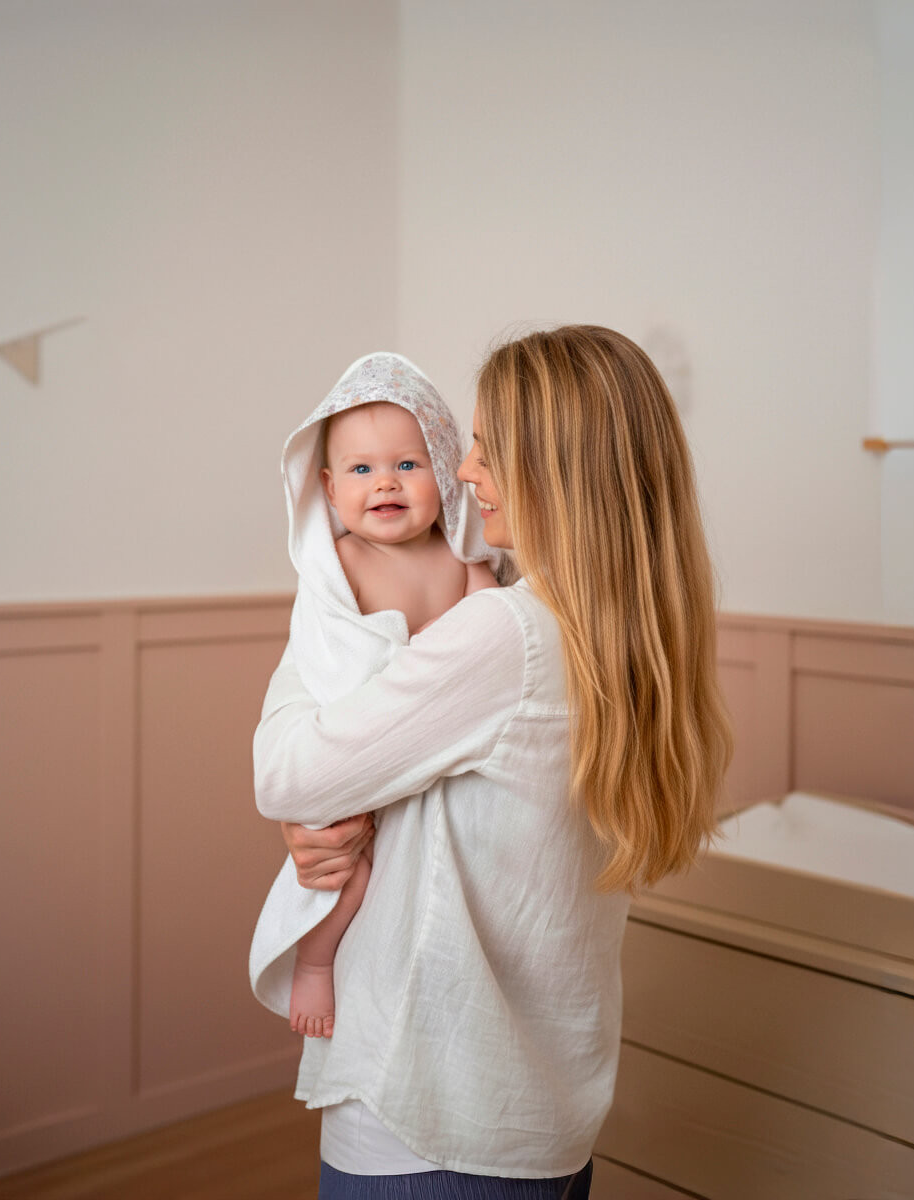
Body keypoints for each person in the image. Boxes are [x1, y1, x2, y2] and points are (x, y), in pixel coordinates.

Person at [253, 326, 733, 1197]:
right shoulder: (612, 634)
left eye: (486, 447)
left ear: (557, 469)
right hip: (546, 1106)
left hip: (430, 1110)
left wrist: (313, 636)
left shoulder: (504, 634)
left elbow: (288, 773)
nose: (466, 471)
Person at [248, 352, 499, 1041]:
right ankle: (316, 961)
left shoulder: (464, 563)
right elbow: (326, 656)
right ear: (329, 489)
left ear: (443, 471)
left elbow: (491, 639)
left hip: (441, 754)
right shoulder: (341, 566)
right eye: (361, 470)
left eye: (407, 465)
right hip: (365, 753)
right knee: (349, 879)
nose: (385, 482)